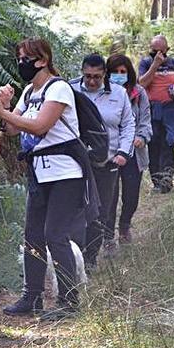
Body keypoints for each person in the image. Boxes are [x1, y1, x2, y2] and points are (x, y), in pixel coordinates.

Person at [0, 37, 93, 321]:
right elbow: (11, 128)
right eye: (19, 58)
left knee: (56, 235)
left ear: (42, 60)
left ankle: (69, 302)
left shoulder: (59, 88)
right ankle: (32, 297)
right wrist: (1, 105)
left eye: (25, 59)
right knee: (32, 236)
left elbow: (41, 125)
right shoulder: (30, 90)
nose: (21, 64)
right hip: (39, 172)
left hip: (66, 173)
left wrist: (4, 112)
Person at [68, 54, 135, 268]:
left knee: (100, 211)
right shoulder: (70, 90)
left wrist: (123, 153)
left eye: (97, 77)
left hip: (107, 162)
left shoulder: (119, 94)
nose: (92, 81)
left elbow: (128, 124)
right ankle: (72, 255)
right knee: (75, 209)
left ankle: (90, 259)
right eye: (87, 76)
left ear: (105, 74)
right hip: (75, 163)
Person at [106, 54, 153, 243]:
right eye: (114, 72)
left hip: (134, 153)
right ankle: (107, 235)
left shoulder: (139, 93)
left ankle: (125, 225)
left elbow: (145, 121)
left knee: (131, 195)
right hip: (109, 153)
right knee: (109, 197)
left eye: (122, 72)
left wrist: (141, 137)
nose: (119, 75)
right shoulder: (103, 93)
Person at [137, 35, 174, 193]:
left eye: (161, 52)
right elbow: (141, 84)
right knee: (153, 143)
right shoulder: (146, 63)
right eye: (154, 51)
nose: (158, 55)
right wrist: (155, 66)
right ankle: (156, 182)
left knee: (168, 143)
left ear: (167, 50)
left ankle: (167, 181)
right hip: (151, 109)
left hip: (171, 109)